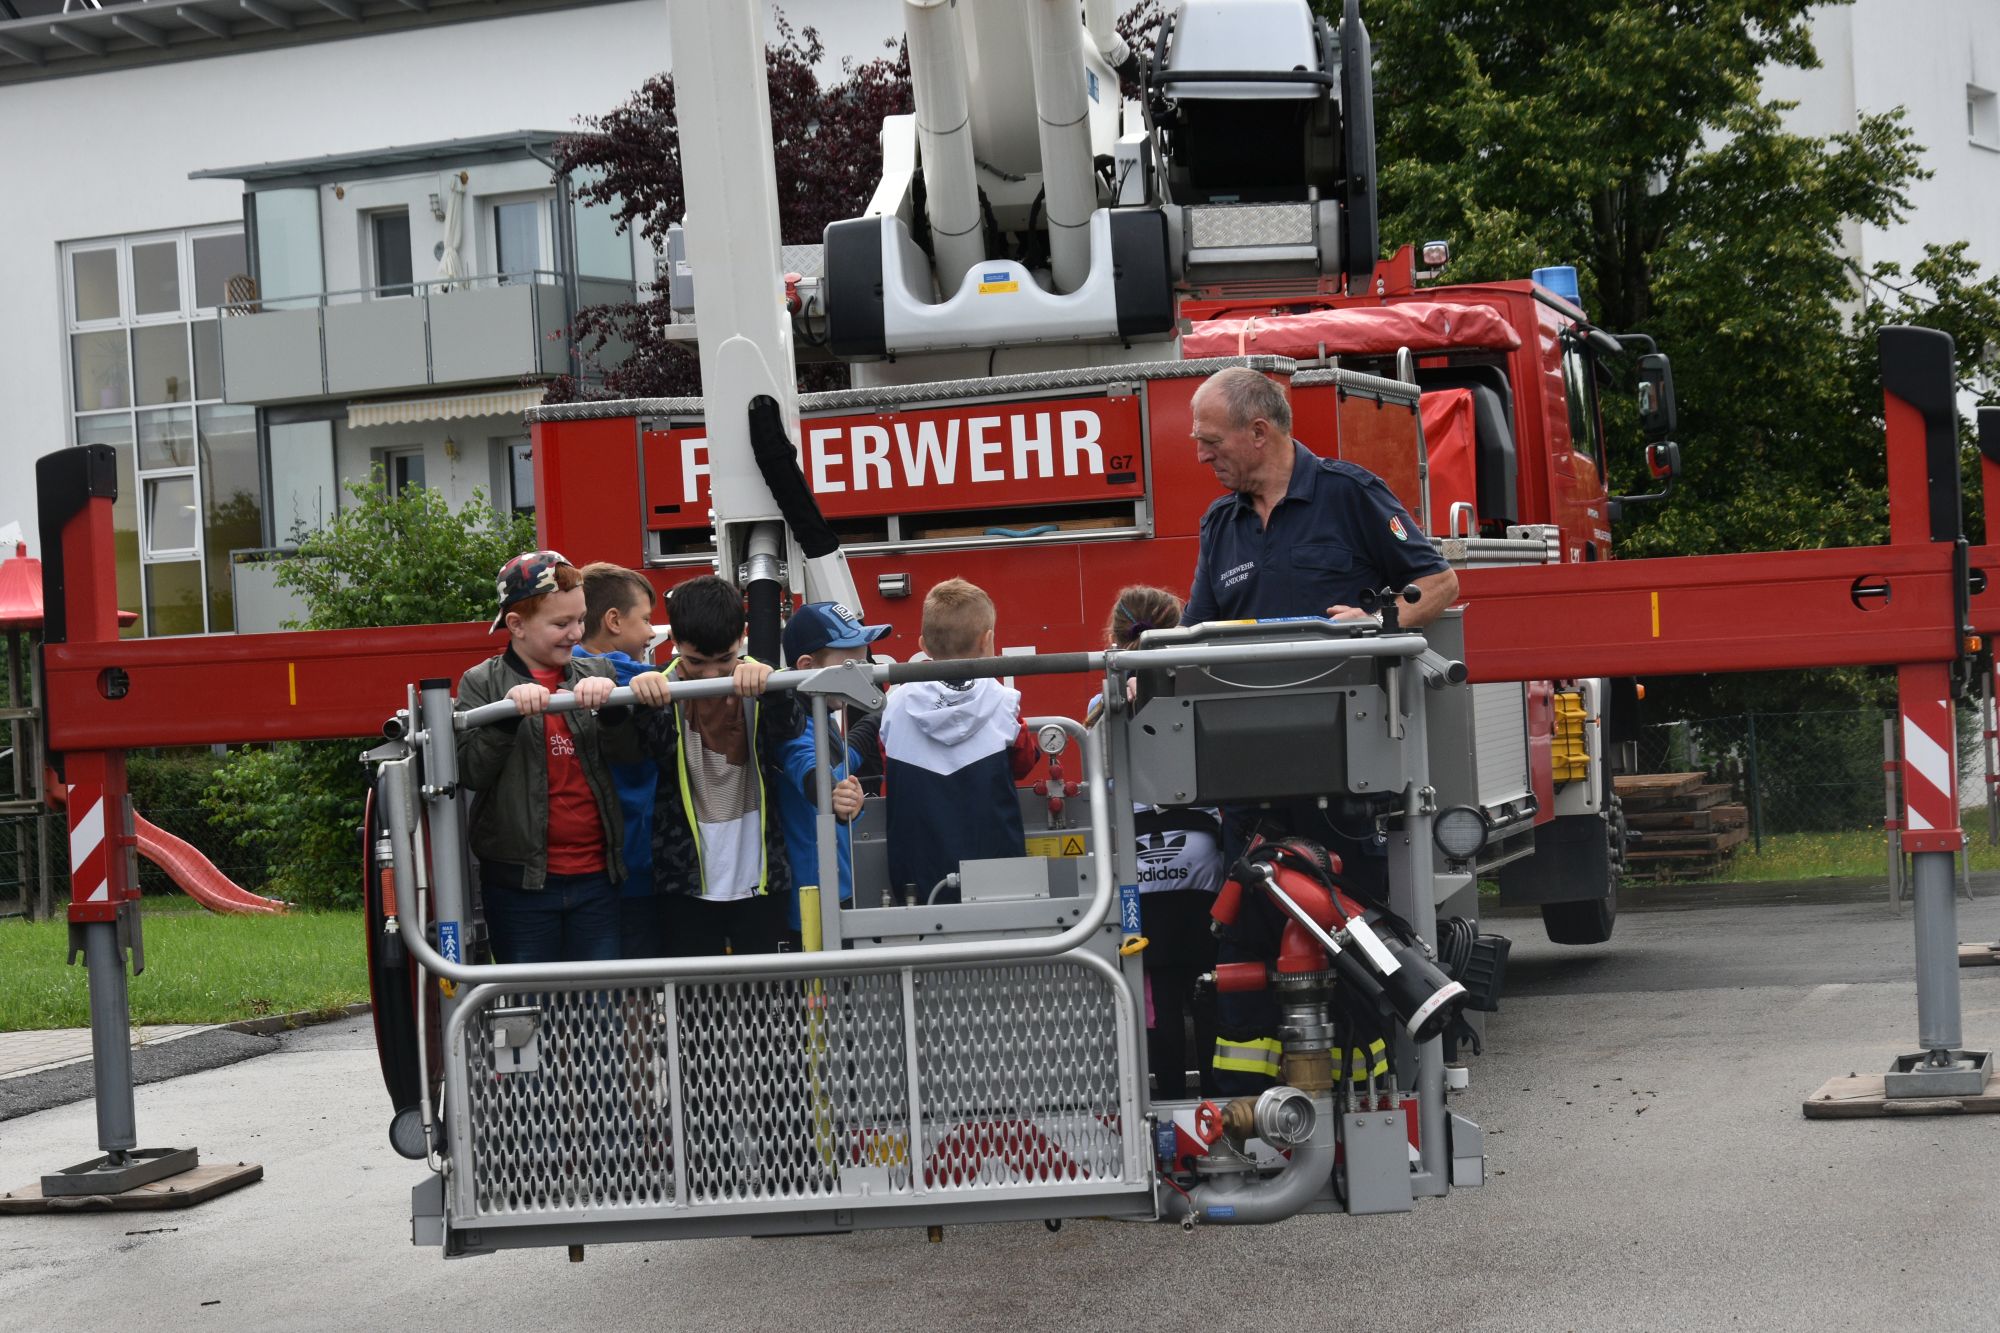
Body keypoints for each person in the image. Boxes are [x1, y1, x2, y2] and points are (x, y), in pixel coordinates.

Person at [1182, 366, 1459, 1094]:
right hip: (1247, 787)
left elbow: (1441, 583)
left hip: (1343, 783)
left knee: (1350, 945)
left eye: (1212, 441)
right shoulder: (1222, 526)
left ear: (1259, 432)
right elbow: (1190, 643)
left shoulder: (1348, 494)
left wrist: (1378, 622)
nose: (1201, 455)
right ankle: (1254, 1121)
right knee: (1249, 951)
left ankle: (1362, 1115)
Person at [455, 550, 655, 964]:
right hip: (519, 885)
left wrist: (615, 710)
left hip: (597, 879)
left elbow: (631, 758)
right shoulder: (482, 682)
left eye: (581, 620)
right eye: (561, 624)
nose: (576, 633)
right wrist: (504, 718)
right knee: (531, 1004)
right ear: (517, 625)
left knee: (597, 1011)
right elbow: (471, 771)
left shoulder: (599, 672)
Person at [1095, 586, 1224, 1099]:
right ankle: (1220, 1098)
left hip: (1139, 867)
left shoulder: (1101, 701)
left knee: (1160, 997)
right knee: (1214, 988)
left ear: (1114, 635)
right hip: (1203, 862)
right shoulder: (1199, 688)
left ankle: (1168, 1101)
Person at [637, 574, 801, 956]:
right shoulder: (657, 688)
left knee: (772, 1008)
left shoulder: (759, 680)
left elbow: (790, 730)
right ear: (674, 642)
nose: (711, 675)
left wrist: (771, 685)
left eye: (724, 659)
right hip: (684, 883)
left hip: (761, 878)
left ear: (742, 636)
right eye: (696, 661)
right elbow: (645, 754)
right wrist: (644, 703)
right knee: (695, 1010)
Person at [880, 578, 1037, 906]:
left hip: (915, 881)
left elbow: (887, 770)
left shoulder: (895, 704)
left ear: (923, 644)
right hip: (999, 877)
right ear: (987, 640)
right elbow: (1023, 763)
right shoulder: (1003, 702)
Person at [775, 601, 889, 949]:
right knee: (821, 1004)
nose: (864, 671)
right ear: (807, 667)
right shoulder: (792, 727)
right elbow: (814, 774)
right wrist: (839, 798)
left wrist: (875, 719)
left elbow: (840, 762)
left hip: (834, 889)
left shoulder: (821, 713)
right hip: (810, 905)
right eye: (851, 663)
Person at [574, 562, 669, 959]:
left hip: (587, 867)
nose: (650, 631)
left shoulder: (560, 676)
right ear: (613, 620)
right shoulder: (643, 680)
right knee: (638, 981)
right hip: (637, 859)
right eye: (645, 619)